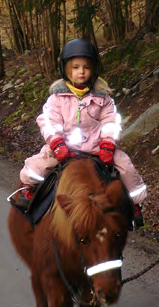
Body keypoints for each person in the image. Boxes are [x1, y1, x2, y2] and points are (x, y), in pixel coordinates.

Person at [16, 38, 147, 227]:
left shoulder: (103, 98)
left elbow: (111, 120)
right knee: (40, 163)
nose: (81, 71)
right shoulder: (57, 98)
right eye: (75, 67)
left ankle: (134, 204)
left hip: (96, 147)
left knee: (125, 165)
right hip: (65, 146)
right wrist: (56, 142)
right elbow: (49, 121)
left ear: (93, 69)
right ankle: (29, 190)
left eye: (86, 67)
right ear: (66, 69)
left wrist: (108, 143)